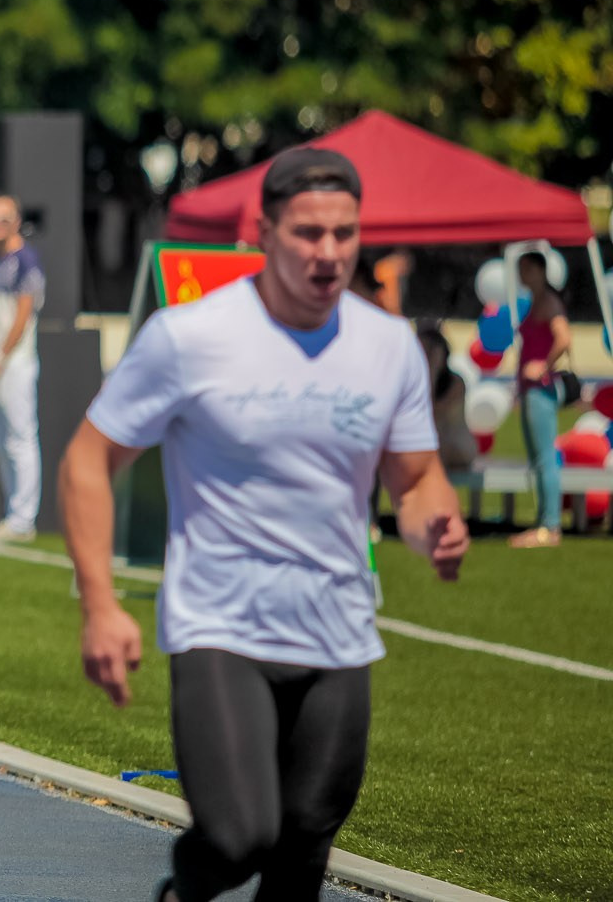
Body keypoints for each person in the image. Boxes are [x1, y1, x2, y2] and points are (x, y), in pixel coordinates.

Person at [59, 148, 468, 902]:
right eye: (309, 233)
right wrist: (101, 603)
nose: (329, 253)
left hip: (338, 626)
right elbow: (89, 459)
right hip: (222, 624)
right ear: (265, 231)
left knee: (306, 842)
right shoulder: (191, 336)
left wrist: (433, 524)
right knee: (242, 833)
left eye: (344, 234)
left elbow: (415, 481)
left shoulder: (388, 347)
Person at [0, 194, 45, 542]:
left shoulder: (26, 261)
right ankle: (11, 513)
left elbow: (22, 315)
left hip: (15, 364)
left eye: (2, 218)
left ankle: (22, 518)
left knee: (20, 438)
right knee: (0, 443)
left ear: (16, 221)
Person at [510, 249, 573, 549]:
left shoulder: (549, 302)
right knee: (539, 459)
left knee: (545, 458)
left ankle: (550, 527)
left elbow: (564, 338)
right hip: (531, 390)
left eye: (525, 268)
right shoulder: (537, 301)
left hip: (542, 389)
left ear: (539, 270)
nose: (521, 274)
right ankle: (544, 522)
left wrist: (543, 366)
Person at [415, 325, 478, 473]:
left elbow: (429, 414)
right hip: (435, 450)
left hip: (457, 450)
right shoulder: (413, 383)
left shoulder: (456, 383)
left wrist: (432, 370)